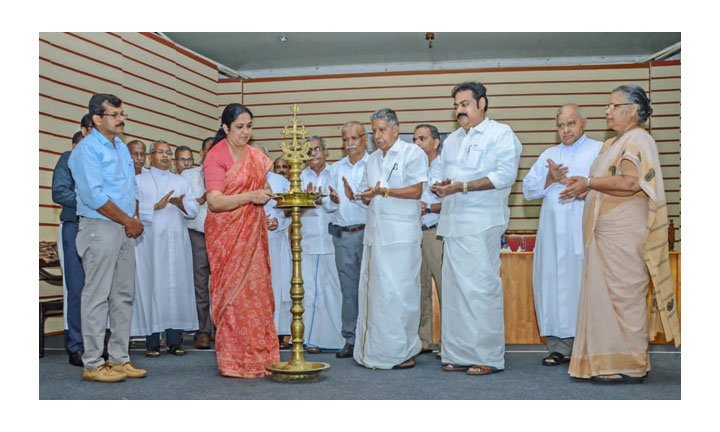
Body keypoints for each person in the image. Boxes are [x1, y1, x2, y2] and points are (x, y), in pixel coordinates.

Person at [559, 85, 680, 383]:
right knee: (605, 298)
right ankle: (607, 360)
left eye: (614, 106)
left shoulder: (638, 139)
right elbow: (602, 183)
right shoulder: (611, 143)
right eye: (607, 106)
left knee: (625, 296)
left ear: (634, 110)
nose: (607, 111)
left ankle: (632, 364)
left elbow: (631, 184)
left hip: (625, 232)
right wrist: (582, 186)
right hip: (605, 233)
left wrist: (588, 183)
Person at [430, 82, 522, 376]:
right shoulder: (454, 140)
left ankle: (488, 356)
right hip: (453, 224)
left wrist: (464, 186)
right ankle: (457, 353)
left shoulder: (500, 133)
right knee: (455, 292)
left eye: (466, 104)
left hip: (482, 223)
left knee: (481, 290)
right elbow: (444, 174)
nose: (460, 110)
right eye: (456, 105)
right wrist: (443, 186)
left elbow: (505, 175)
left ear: (482, 103)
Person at [69, 93, 147, 382]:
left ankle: (119, 358)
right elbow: (94, 195)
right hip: (99, 226)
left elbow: (131, 189)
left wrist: (133, 219)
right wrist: (129, 221)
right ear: (97, 119)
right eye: (114, 115)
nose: (120, 119)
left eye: (121, 114)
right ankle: (92, 362)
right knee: (97, 296)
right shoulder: (87, 149)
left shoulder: (121, 148)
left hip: (125, 226)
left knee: (123, 295)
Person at [203, 103, 280, 378]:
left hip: (252, 235)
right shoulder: (216, 156)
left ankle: (261, 357)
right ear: (225, 128)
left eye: (249, 126)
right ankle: (234, 361)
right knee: (233, 298)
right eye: (239, 127)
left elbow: (264, 187)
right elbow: (215, 201)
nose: (246, 132)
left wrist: (268, 193)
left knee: (256, 294)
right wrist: (250, 196)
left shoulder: (256, 156)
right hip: (226, 235)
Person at [522, 104, 602, 366]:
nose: (566, 130)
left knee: (583, 285)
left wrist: (586, 188)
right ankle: (558, 346)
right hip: (552, 235)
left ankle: (588, 345)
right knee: (553, 285)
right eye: (561, 125)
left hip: (584, 231)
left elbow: (611, 186)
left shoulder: (599, 150)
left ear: (583, 123)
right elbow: (528, 190)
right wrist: (550, 177)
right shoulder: (549, 154)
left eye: (571, 124)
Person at [353, 108, 427, 370]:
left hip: (402, 238)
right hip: (376, 235)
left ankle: (403, 351)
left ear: (396, 129)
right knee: (377, 295)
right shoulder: (371, 160)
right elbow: (368, 192)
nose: (377, 135)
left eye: (382, 130)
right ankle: (378, 351)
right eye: (374, 131)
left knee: (400, 295)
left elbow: (417, 190)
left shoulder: (412, 153)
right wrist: (363, 195)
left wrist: (385, 192)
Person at [131, 140, 199, 357]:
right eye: (160, 152)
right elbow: (129, 207)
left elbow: (194, 208)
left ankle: (174, 340)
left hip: (177, 242)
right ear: (150, 156)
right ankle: (152, 341)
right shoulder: (139, 180)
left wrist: (180, 205)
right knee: (153, 288)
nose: (165, 156)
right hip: (150, 243)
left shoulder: (180, 181)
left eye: (168, 153)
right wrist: (154, 207)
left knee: (175, 288)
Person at [323, 121, 370, 358]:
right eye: (345, 140)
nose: (349, 144)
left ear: (364, 139)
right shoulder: (335, 169)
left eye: (354, 138)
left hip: (369, 234)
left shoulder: (374, 164)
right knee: (349, 291)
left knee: (372, 288)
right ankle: (350, 339)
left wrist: (359, 197)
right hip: (343, 236)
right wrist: (333, 199)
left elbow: (378, 200)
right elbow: (326, 205)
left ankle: (371, 338)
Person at [300, 137, 344, 353]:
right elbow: (293, 208)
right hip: (307, 241)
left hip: (331, 240)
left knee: (332, 291)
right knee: (310, 292)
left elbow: (338, 204)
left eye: (317, 149)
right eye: (309, 150)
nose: (313, 153)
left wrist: (325, 201)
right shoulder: (300, 177)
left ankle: (336, 339)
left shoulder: (335, 173)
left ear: (326, 152)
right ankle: (312, 340)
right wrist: (307, 200)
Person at [52, 131, 85, 367]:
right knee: (76, 289)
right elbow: (60, 192)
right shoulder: (67, 159)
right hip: (74, 226)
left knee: (99, 290)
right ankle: (76, 345)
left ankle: (96, 343)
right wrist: (93, 199)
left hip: (101, 228)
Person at [178, 137, 214, 349]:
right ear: (201, 153)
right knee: (200, 284)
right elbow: (185, 203)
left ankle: (223, 328)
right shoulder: (189, 175)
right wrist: (200, 200)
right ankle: (203, 330)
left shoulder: (227, 174)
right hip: (197, 233)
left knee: (221, 285)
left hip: (221, 234)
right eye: (208, 150)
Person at [413, 124, 444, 354]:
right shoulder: (413, 167)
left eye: (422, 139)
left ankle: (450, 341)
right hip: (415, 233)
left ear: (436, 142)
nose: (417, 144)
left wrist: (429, 207)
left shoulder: (446, 165)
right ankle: (423, 340)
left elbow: (456, 200)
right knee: (419, 288)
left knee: (445, 287)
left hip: (437, 231)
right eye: (415, 139)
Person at [264, 165, 293, 350]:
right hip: (251, 240)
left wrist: (279, 222)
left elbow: (289, 210)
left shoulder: (280, 181)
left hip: (276, 238)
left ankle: (279, 331)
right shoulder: (240, 178)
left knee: (279, 285)